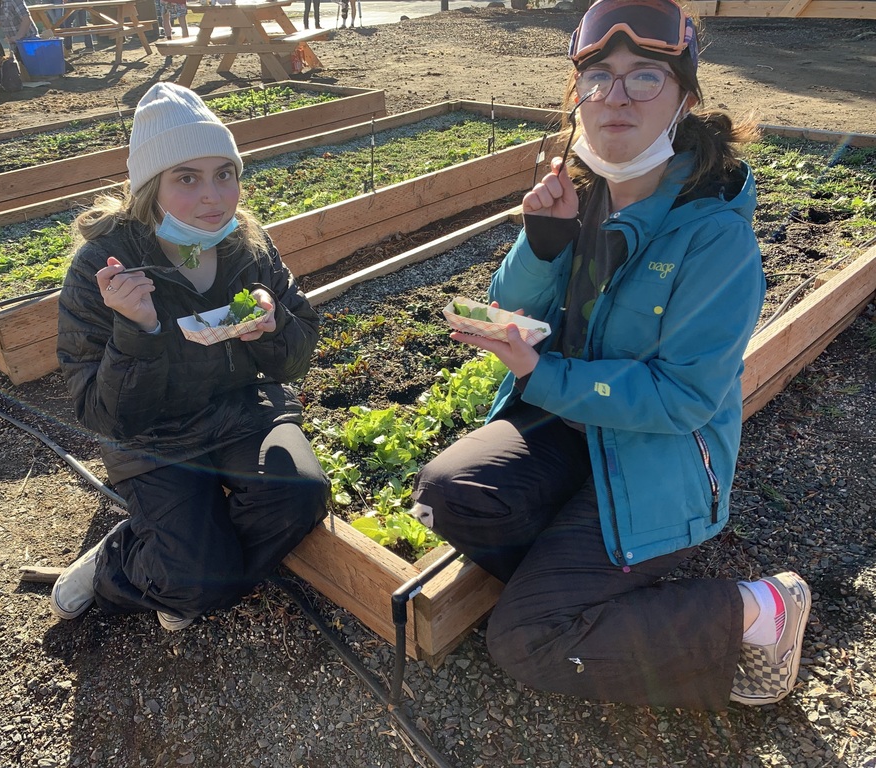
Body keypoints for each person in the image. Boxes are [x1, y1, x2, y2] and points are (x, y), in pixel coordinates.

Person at [410, 0, 811, 711]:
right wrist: (541, 245)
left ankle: (761, 610)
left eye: (644, 78)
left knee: (527, 640)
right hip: (574, 432)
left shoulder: (715, 239)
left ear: (684, 98)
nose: (615, 96)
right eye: (599, 78)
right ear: (578, 98)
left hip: (661, 458)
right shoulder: (585, 199)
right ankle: (583, 581)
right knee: (446, 494)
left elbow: (684, 398)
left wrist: (543, 372)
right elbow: (513, 306)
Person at [54, 82, 329, 631]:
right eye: (187, 178)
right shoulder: (103, 269)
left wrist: (272, 329)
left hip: (243, 412)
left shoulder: (246, 244)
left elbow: (296, 358)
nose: (214, 196)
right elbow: (103, 418)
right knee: (197, 578)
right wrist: (139, 330)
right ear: (149, 187)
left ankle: (178, 569)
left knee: (300, 496)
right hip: (154, 439)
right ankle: (120, 565)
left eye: (224, 174)